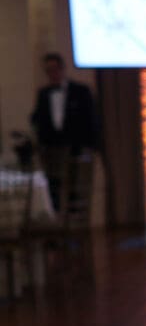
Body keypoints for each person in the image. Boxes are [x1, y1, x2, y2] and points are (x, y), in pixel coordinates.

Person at [30, 52, 97, 210]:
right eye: (48, 71)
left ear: (62, 69)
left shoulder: (80, 91)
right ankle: (57, 221)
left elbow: (90, 120)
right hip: (52, 150)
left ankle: (74, 223)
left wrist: (90, 146)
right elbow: (39, 120)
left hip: (75, 148)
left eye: (54, 69)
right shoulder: (44, 94)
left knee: (76, 187)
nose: (52, 74)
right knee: (53, 187)